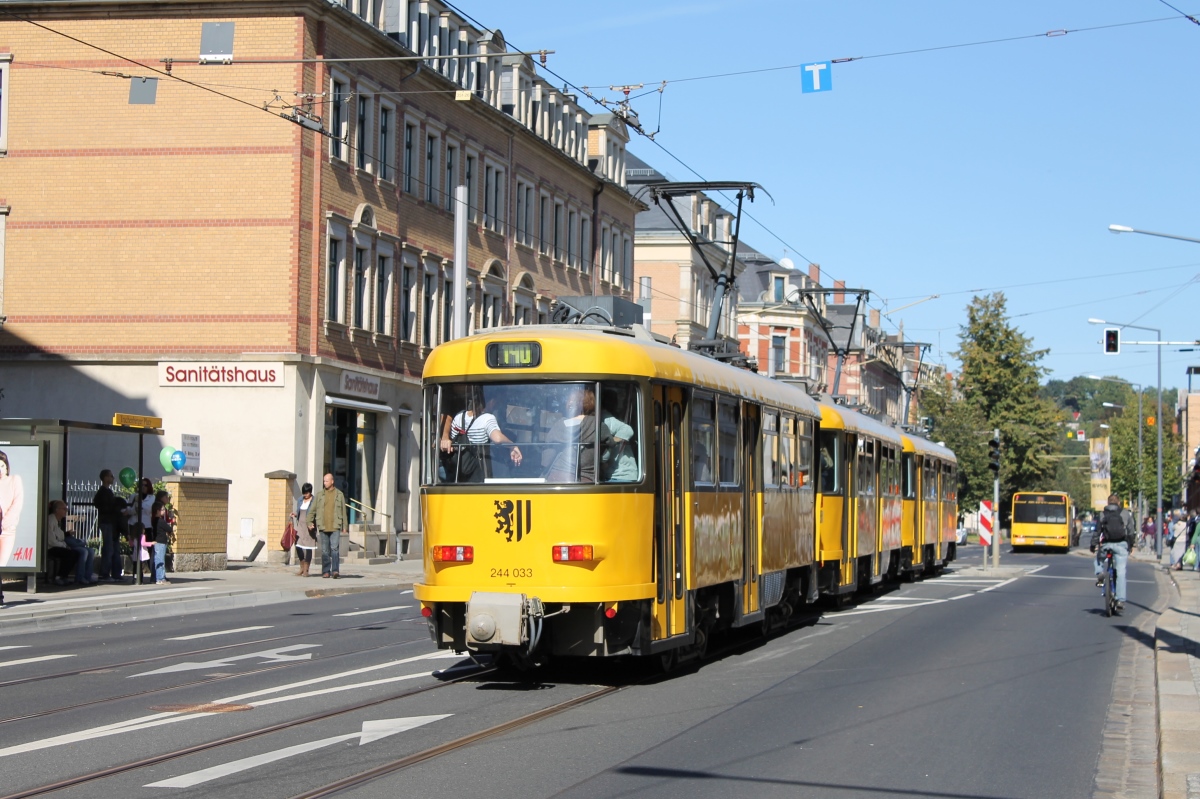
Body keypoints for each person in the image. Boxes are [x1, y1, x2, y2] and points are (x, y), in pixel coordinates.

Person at [440, 392, 522, 482]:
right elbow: (497, 439)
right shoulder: (488, 418)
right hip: (478, 474)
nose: (497, 406)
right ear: (491, 402)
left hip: (457, 474)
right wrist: (512, 445)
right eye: (498, 403)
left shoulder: (459, 417)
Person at [543, 386, 600, 483]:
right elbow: (606, 454)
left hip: (557, 477)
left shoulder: (560, 424)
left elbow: (547, 457)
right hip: (587, 480)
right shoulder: (598, 425)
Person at [1091, 494, 1134, 612]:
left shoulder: (1102, 514)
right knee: (1121, 572)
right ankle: (1120, 600)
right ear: (1118, 502)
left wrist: (1093, 545)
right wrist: (1130, 544)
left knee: (1098, 559)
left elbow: (1097, 531)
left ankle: (1100, 573)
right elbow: (1131, 531)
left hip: (1106, 544)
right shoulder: (1125, 514)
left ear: (1108, 503)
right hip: (1121, 545)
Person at [308, 473, 347, 579]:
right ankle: (326, 571)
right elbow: (312, 510)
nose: (324, 483)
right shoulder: (320, 495)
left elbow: (343, 511)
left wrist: (345, 526)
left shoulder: (339, 494)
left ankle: (335, 571)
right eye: (324, 481)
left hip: (335, 525)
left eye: (326, 481)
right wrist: (309, 522)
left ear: (332, 481)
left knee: (335, 549)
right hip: (323, 526)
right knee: (325, 550)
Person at [92, 469, 127, 582]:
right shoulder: (103, 492)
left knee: (114, 548)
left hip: (112, 523)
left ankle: (116, 573)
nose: (113, 478)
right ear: (106, 478)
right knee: (109, 548)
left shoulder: (108, 492)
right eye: (111, 476)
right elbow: (102, 505)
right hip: (107, 522)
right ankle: (105, 573)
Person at [0, 450, 25, 568]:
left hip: (7, 530)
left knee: (1, 564)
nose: (0, 469)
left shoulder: (14, 479)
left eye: (2, 465)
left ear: (6, 466)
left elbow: (17, 503)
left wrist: (4, 523)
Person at [45, 500, 79, 586]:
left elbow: (60, 536)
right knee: (70, 554)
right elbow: (51, 541)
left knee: (75, 553)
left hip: (56, 545)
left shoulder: (57, 521)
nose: (66, 511)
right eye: (64, 509)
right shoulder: (51, 520)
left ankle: (64, 576)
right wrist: (63, 545)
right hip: (50, 547)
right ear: (57, 510)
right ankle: (60, 576)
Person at [290, 483, 317, 577]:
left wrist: (313, 524)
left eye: (307, 493)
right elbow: (300, 511)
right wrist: (295, 515)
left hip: (309, 526)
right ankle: (301, 566)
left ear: (310, 492)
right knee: (298, 545)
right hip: (300, 526)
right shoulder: (300, 500)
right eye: (304, 493)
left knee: (308, 547)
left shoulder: (314, 501)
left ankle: (306, 569)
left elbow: (315, 513)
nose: (305, 495)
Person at [150, 499, 172, 585]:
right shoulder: (160, 521)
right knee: (160, 561)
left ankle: (155, 577)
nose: (164, 511)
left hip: (157, 542)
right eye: (162, 509)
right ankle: (160, 578)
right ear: (157, 511)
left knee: (157, 560)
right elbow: (169, 529)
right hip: (161, 542)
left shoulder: (154, 520)